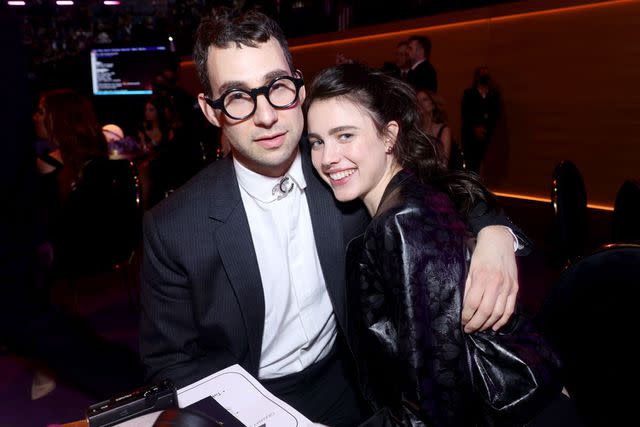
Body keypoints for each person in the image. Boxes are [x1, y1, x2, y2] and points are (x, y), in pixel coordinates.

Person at [139, 7, 530, 426]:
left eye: (277, 87)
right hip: (246, 403)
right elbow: (170, 365)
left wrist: (495, 234)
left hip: (356, 386)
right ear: (210, 110)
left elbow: (441, 184)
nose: (267, 114)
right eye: (237, 97)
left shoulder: (338, 168)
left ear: (299, 88)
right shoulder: (174, 228)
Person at [304, 62, 581, 426]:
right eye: (317, 142)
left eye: (345, 136)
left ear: (389, 137)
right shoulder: (413, 190)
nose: (327, 158)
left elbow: (438, 396)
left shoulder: (402, 221)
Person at [0, 5, 143, 401]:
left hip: (71, 245)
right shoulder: (97, 151)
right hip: (95, 242)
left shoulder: (52, 161)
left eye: (43, 112)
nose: (36, 117)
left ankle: (129, 378)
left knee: (26, 317)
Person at [461, 66, 500, 173]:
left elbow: (495, 114)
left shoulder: (493, 95)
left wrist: (485, 129)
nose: (485, 78)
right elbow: (466, 114)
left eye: (486, 75)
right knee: (471, 164)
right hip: (470, 137)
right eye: (483, 75)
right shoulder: (469, 94)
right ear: (477, 77)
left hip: (487, 136)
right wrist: (475, 128)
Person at [416, 88, 451, 166]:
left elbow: (444, 164)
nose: (420, 103)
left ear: (433, 105)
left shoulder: (444, 130)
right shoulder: (414, 131)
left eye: (425, 99)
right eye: (417, 101)